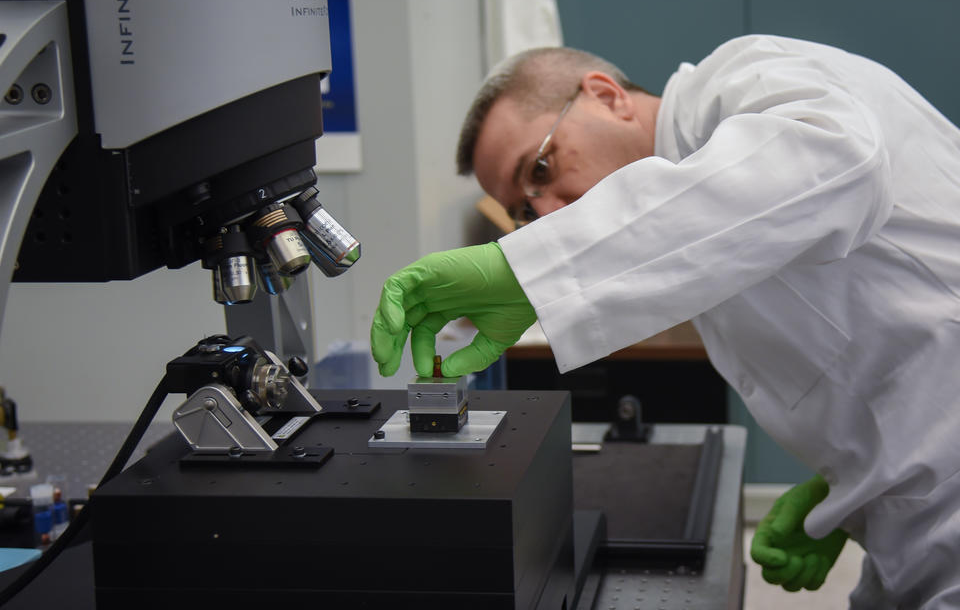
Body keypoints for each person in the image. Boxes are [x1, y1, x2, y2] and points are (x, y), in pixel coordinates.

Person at [369, 35, 960, 608]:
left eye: (541, 169)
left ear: (606, 94)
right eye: (524, 213)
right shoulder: (688, 218)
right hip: (915, 525)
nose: (544, 216)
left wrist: (528, 271)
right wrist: (851, 489)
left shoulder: (742, 77)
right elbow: (879, 341)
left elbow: (841, 164)